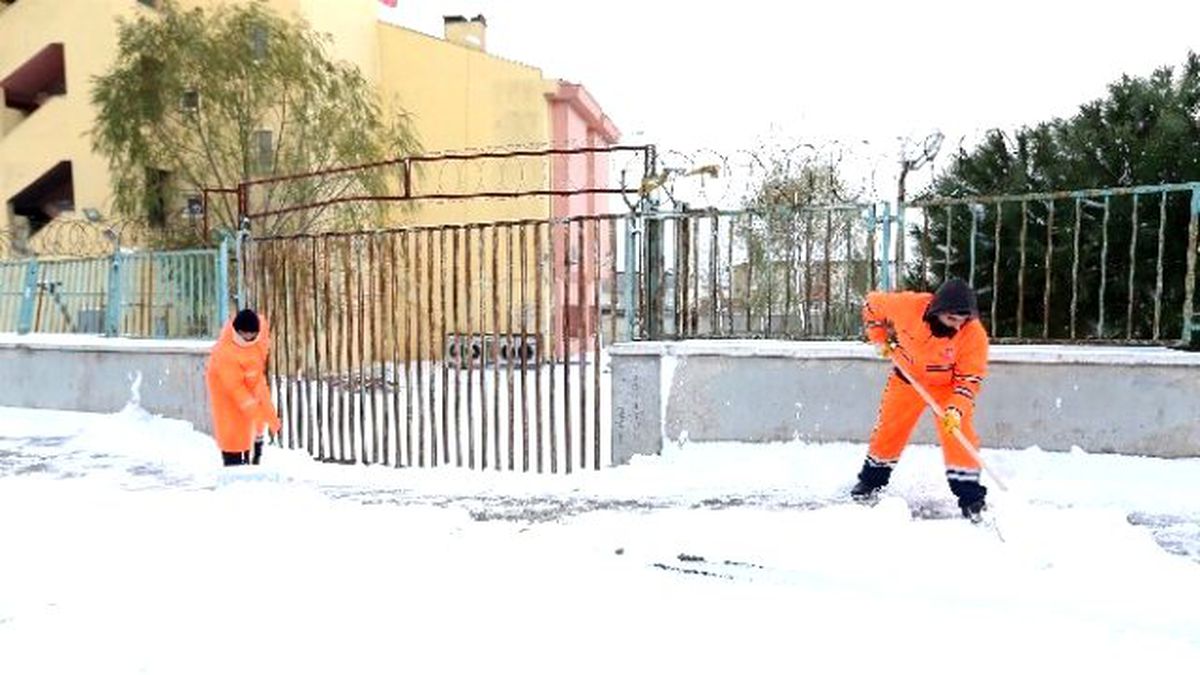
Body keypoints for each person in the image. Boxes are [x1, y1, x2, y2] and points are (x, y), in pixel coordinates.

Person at [850, 278, 990, 520]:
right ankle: (870, 482)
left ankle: (971, 497)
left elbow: (969, 378)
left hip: (947, 388)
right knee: (889, 430)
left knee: (958, 436)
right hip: (907, 379)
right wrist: (879, 338)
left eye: (962, 322)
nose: (957, 327)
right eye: (952, 320)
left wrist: (956, 409)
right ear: (937, 311)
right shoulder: (907, 306)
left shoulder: (973, 334)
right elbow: (872, 304)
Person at [205, 308, 281, 467]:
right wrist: (257, 412)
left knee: (250, 437)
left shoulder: (259, 341)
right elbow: (235, 388)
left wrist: (269, 416)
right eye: (245, 334)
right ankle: (233, 471)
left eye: (252, 334)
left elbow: (258, 379)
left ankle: (251, 461)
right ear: (237, 331)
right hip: (226, 397)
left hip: (249, 391)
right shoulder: (225, 353)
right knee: (232, 438)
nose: (249, 338)